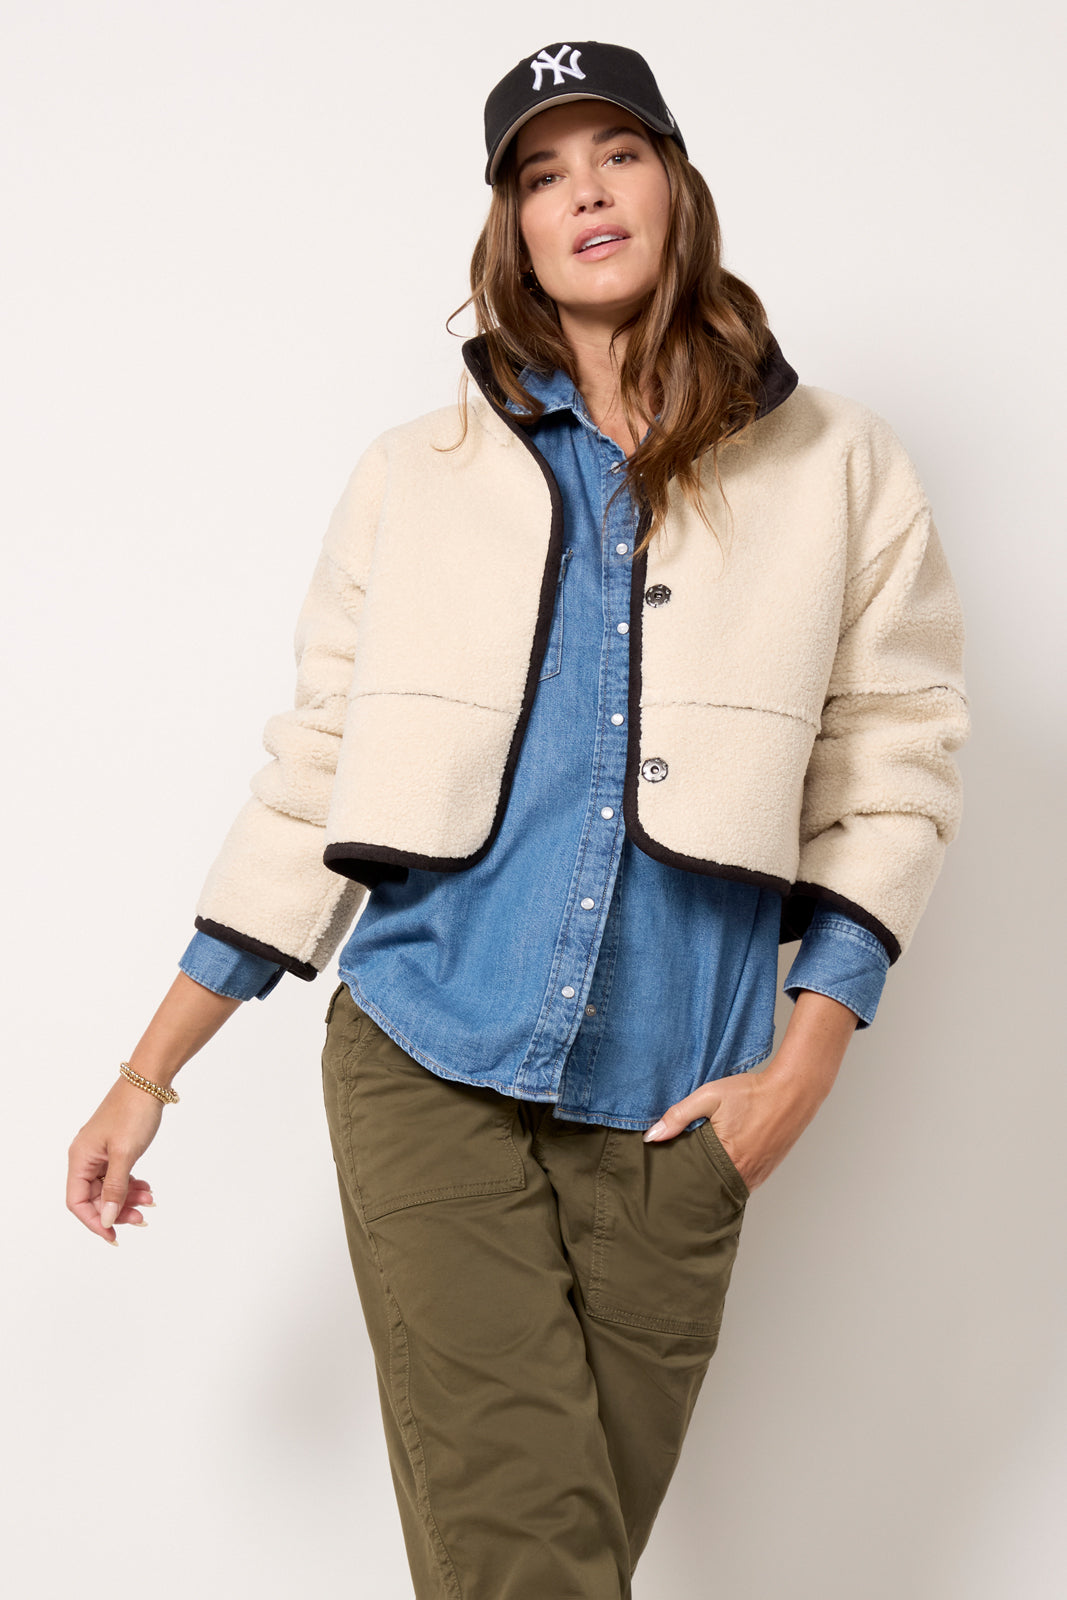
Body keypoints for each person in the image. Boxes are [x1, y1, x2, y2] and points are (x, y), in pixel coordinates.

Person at [66, 40, 970, 1600]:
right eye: (543, 174)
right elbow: (316, 769)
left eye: (617, 154)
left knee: (542, 1566)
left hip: (678, 1113)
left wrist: (804, 1063)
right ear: (514, 227)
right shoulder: (411, 479)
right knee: (530, 1568)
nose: (586, 194)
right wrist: (149, 1071)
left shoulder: (840, 465)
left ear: (674, 184)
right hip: (430, 1060)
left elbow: (898, 760)